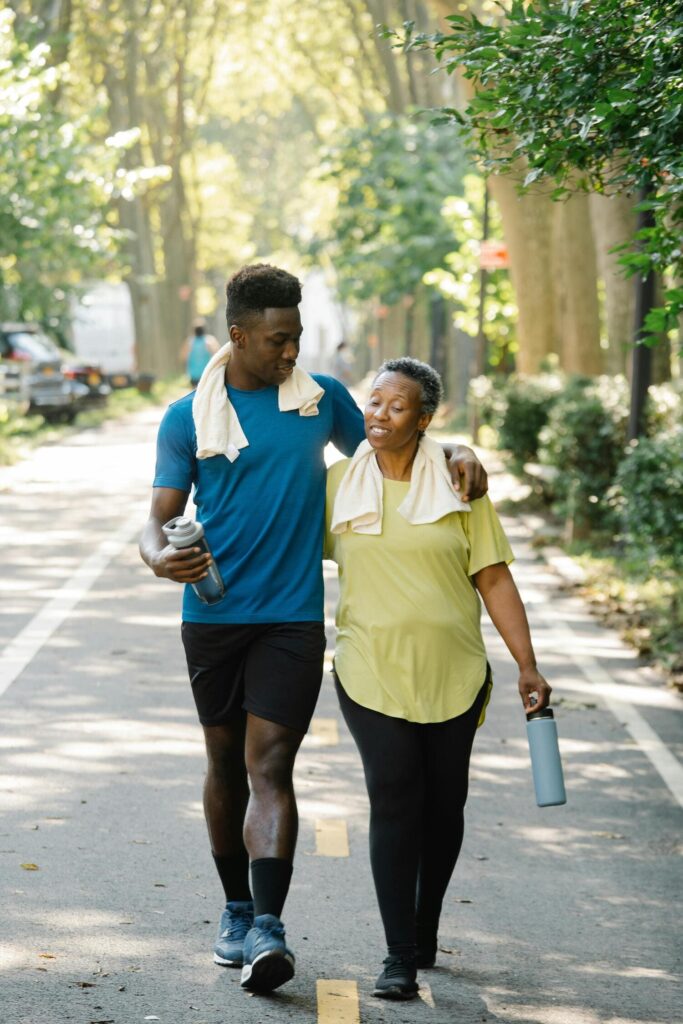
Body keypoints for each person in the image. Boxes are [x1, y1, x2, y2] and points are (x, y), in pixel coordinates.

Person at [139, 265, 489, 995]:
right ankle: (235, 908)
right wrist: (159, 556)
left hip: (292, 618)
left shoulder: (319, 400)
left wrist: (455, 448)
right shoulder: (188, 416)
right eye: (277, 340)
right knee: (225, 763)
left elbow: (392, 443)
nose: (291, 353)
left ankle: (268, 927)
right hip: (211, 613)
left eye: (296, 338)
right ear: (237, 336)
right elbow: (155, 517)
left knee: (270, 766)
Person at [324, 356, 551, 1001]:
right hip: (369, 668)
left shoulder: (459, 485)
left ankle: (426, 926)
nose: (378, 415)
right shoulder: (339, 483)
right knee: (394, 795)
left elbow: (494, 577)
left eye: (397, 407)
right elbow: (282, 543)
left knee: (443, 805)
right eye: (373, 402)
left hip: (455, 672)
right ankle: (399, 955)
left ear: (424, 420)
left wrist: (526, 663)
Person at [180, 318, 220, 386]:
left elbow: (183, 357)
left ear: (194, 331)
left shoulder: (189, 342)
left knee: (195, 394)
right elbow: (218, 354)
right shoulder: (210, 341)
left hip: (193, 375)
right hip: (207, 374)